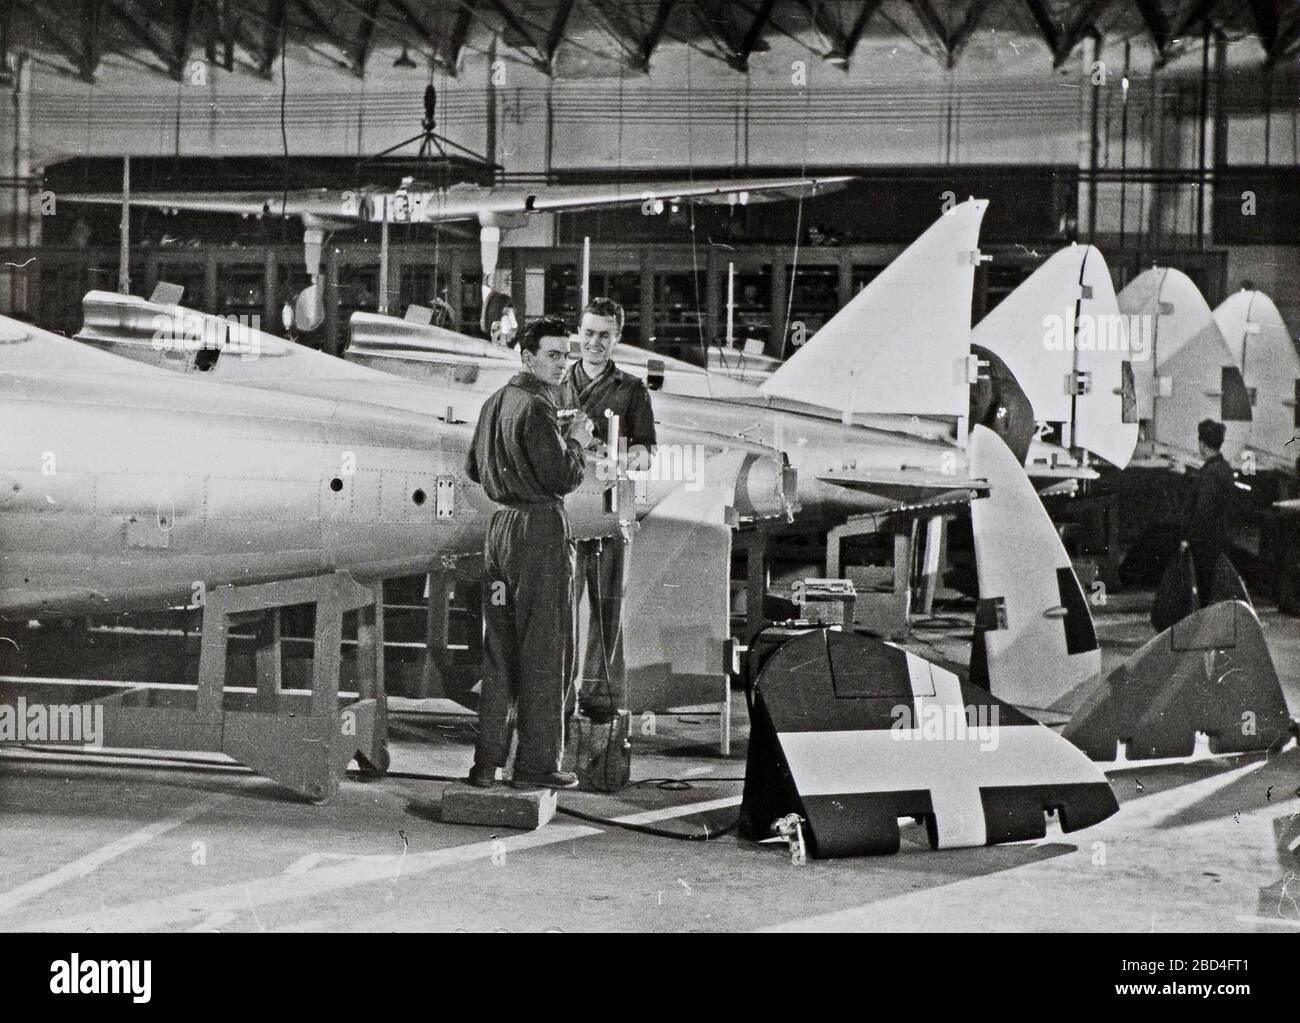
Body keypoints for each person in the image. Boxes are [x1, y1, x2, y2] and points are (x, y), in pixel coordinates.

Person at [464, 317, 595, 790]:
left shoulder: (493, 402)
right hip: (539, 533)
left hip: (498, 533)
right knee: (544, 651)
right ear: (527, 356)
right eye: (554, 355)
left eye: (567, 355)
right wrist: (576, 439)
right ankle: (537, 766)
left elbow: (474, 470)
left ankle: (485, 765)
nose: (563, 365)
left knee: (498, 651)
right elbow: (562, 477)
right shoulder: (538, 408)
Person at [559, 297, 657, 722]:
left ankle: (598, 699)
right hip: (563, 512)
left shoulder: (632, 390)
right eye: (589, 333)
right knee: (560, 607)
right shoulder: (556, 382)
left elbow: (646, 449)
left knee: (605, 606)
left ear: (617, 338)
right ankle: (558, 697)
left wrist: (633, 456)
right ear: (578, 334)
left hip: (608, 508)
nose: (594, 342)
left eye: (604, 335)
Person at [1181, 418, 1237, 604]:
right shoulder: (1225, 469)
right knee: (1216, 589)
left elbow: (1202, 511)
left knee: (1204, 592)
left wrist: (1188, 539)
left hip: (1205, 544)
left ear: (1202, 445)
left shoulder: (1210, 473)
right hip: (1221, 538)